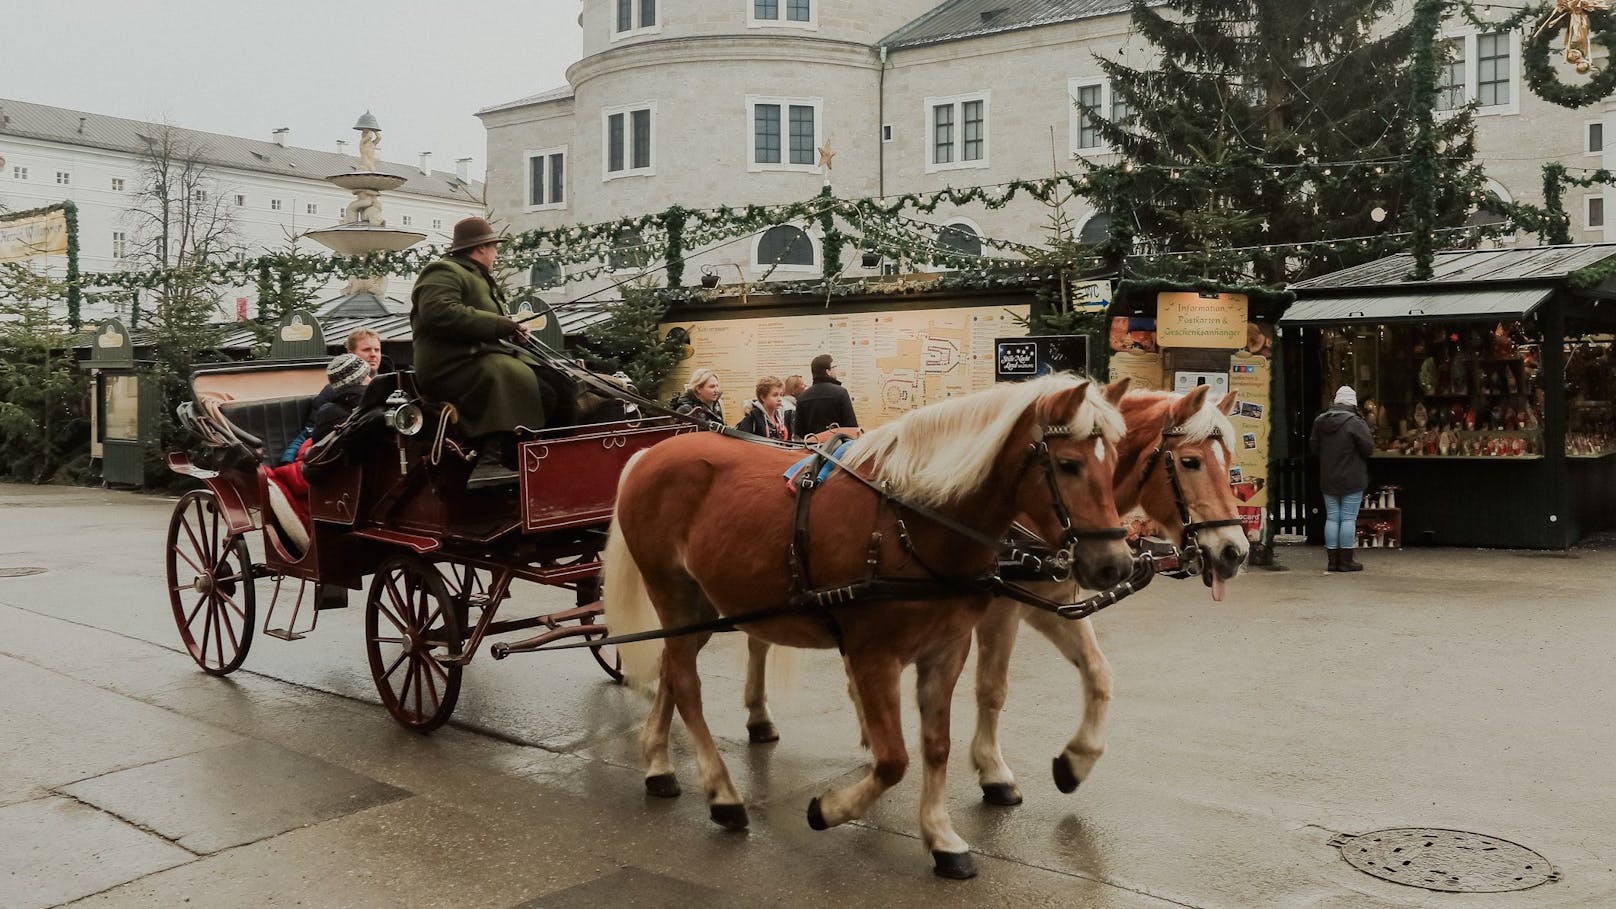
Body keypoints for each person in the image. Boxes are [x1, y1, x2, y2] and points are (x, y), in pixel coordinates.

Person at [410, 217, 576, 481]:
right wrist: (500, 324)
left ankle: (549, 458)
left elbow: (485, 327)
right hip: (451, 364)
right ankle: (492, 458)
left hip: (478, 357)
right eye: (495, 248)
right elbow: (438, 312)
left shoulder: (478, 278)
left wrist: (513, 333)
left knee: (560, 384)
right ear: (481, 248)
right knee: (517, 378)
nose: (497, 255)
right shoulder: (443, 271)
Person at [1310, 385, 1373, 573]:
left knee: (1332, 517)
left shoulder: (1320, 421)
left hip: (1328, 477)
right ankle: (1345, 560)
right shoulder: (1356, 422)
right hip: (1352, 478)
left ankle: (1332, 561)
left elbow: (1314, 447)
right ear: (1353, 403)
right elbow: (1368, 449)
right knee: (1347, 518)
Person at [794, 354, 858, 438]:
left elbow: (799, 431)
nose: (836, 371)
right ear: (828, 372)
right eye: (834, 368)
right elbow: (851, 426)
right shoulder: (841, 393)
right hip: (837, 446)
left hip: (812, 447)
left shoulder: (802, 397)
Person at [735, 376, 793, 441]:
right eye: (775, 395)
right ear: (763, 397)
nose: (779, 399)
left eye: (781, 395)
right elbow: (741, 442)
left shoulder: (783, 415)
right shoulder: (753, 418)